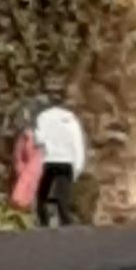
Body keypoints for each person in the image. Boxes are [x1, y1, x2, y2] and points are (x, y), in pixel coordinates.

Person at [31, 97, 89, 227]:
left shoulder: (43, 117)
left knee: (42, 194)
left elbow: (39, 140)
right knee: (63, 193)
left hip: (50, 160)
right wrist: (78, 167)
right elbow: (77, 143)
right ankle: (65, 221)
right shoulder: (70, 117)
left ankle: (43, 221)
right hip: (67, 161)